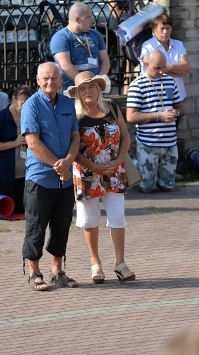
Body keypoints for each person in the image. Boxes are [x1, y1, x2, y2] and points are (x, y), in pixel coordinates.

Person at [65, 71, 135, 284]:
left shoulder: (112, 108)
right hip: (86, 173)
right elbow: (73, 149)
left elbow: (126, 137)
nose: (88, 91)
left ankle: (120, 263)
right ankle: (95, 263)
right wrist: (93, 166)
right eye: (83, 89)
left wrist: (119, 159)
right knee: (89, 219)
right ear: (77, 93)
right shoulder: (74, 115)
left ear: (99, 88)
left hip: (114, 172)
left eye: (91, 87)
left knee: (117, 217)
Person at [21, 62, 80, 291]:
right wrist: (58, 164)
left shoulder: (68, 103)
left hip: (65, 178)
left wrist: (68, 162)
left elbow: (75, 136)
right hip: (40, 178)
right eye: (45, 78)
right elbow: (32, 142)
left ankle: (57, 271)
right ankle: (34, 272)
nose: (50, 82)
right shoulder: (31, 105)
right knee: (36, 226)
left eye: (54, 78)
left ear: (61, 80)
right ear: (37, 80)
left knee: (62, 225)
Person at [126, 49, 184, 193]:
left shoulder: (170, 81)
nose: (161, 72)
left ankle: (151, 172)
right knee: (147, 188)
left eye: (163, 67)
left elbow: (180, 107)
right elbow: (131, 117)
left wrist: (175, 113)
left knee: (167, 187)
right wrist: (159, 116)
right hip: (149, 143)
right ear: (146, 63)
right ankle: (137, 166)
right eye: (157, 68)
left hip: (170, 142)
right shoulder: (137, 85)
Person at [0, 85, 32, 215]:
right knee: (8, 209)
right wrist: (14, 143)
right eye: (23, 103)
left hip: (24, 174)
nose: (25, 107)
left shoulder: (29, 116)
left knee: (22, 209)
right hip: (4, 174)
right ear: (13, 99)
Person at [50, 2, 111, 89]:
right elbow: (65, 65)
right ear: (77, 19)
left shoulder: (96, 34)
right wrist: (85, 84)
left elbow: (105, 61)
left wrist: (99, 80)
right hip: (72, 89)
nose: (92, 20)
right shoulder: (61, 37)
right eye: (88, 17)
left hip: (95, 89)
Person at [140, 13, 191, 102]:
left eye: (168, 28)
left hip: (177, 94)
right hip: (156, 94)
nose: (165, 32)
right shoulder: (147, 46)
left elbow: (186, 68)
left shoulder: (179, 45)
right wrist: (177, 72)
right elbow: (150, 72)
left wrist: (166, 68)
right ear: (154, 30)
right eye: (162, 28)